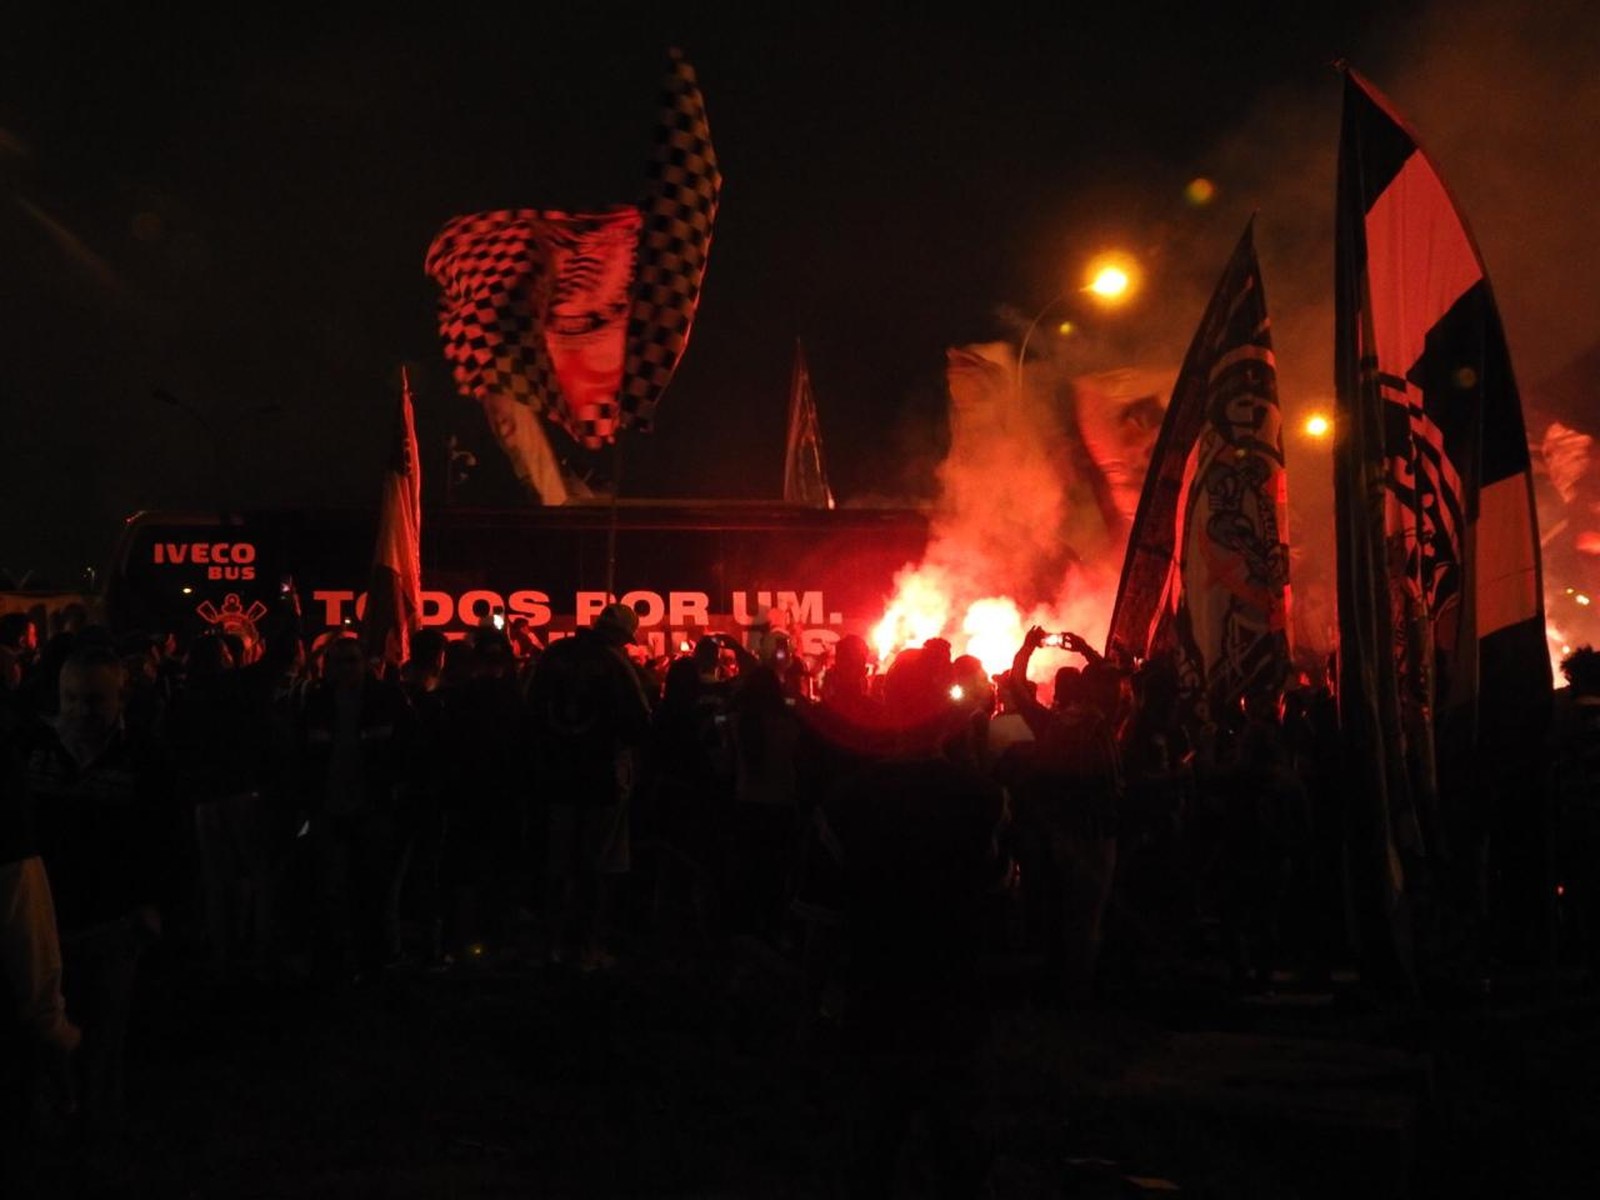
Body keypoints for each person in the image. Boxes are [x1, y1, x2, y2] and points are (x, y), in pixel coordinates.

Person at [794, 662, 1013, 1197]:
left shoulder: (845, 801)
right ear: (948, 717)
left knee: (868, 1149)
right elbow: (1002, 903)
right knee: (960, 1155)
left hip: (875, 994)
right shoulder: (983, 800)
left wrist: (815, 1003)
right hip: (955, 997)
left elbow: (820, 916)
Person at [23, 646, 183, 1135]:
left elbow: (166, 837)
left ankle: (98, 1121)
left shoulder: (144, 757)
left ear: (119, 698)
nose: (79, 712)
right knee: (45, 1029)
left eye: (93, 700)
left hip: (113, 919)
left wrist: (153, 906)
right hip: (43, 917)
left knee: (105, 1030)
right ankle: (54, 1116)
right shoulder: (32, 747)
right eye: (70, 699)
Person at [528, 603, 652, 971]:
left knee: (558, 864)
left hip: (555, 778)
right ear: (622, 637)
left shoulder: (554, 656)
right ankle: (584, 949)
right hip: (601, 780)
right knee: (594, 867)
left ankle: (549, 945)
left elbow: (530, 707)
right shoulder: (615, 664)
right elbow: (640, 723)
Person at [293, 634, 417, 982]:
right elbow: (302, 758)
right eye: (337, 661)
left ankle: (370, 959)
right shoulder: (315, 702)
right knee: (332, 890)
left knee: (371, 888)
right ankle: (337, 962)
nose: (344, 668)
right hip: (329, 810)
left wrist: (396, 794)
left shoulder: (387, 700)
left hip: (372, 808)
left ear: (365, 664)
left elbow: (408, 751)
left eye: (351, 660)